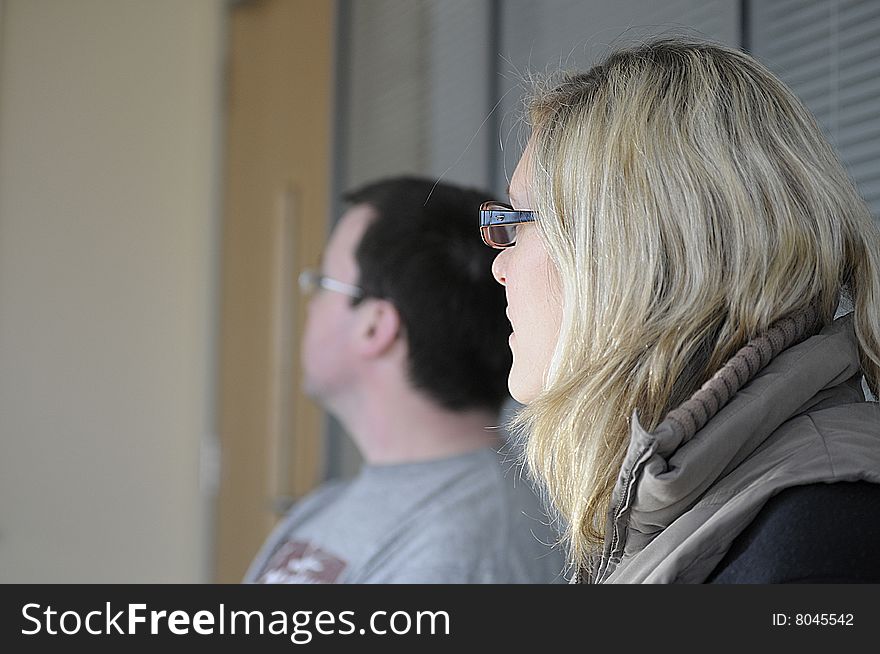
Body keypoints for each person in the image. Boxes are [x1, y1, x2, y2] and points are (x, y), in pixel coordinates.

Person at [485, 38, 880, 583]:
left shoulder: (816, 540)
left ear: (624, 250)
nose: (499, 267)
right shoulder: (681, 501)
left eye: (517, 223)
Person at [245, 176, 564, 584]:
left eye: (321, 282)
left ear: (375, 327)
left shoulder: (469, 547)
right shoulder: (329, 503)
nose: (310, 304)